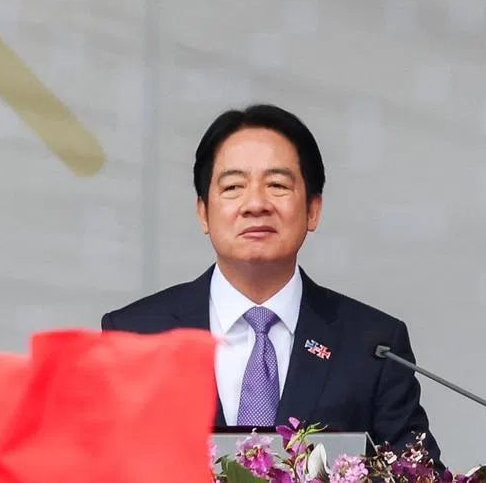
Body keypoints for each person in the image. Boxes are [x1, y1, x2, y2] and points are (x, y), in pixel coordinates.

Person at [101, 103, 442, 462]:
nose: (255, 204)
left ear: (312, 210)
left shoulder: (373, 346)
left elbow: (420, 473)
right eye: (233, 186)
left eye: (277, 185)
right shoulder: (135, 335)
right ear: (203, 212)